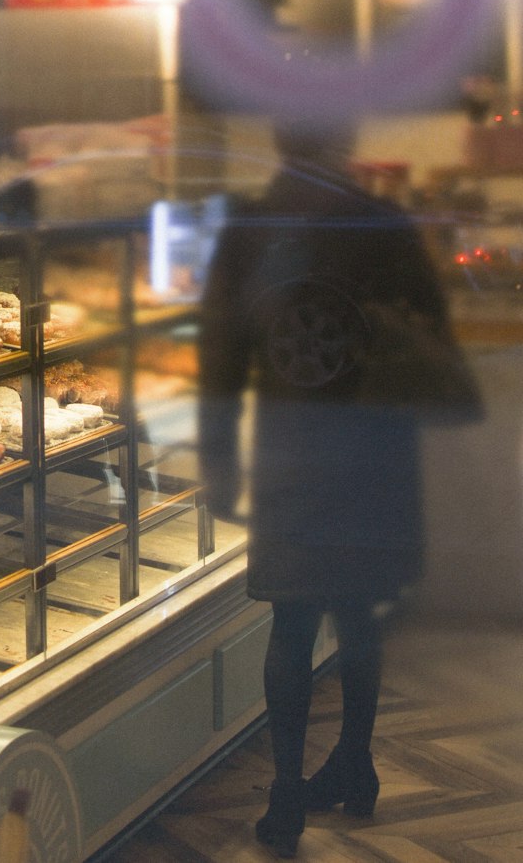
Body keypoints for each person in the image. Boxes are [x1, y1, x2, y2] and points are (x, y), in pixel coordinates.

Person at [199, 122, 478, 858]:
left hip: (293, 449)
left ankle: (287, 794)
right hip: (373, 444)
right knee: (359, 616)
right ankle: (357, 762)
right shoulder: (381, 220)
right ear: (344, 135)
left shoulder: (253, 225)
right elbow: (433, 336)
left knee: (290, 625)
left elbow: (221, 357)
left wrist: (220, 462)